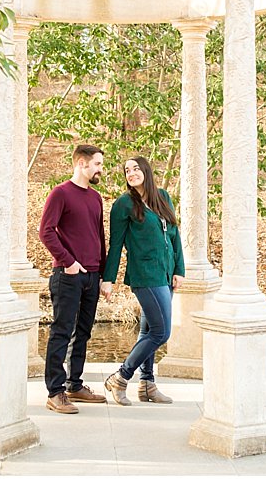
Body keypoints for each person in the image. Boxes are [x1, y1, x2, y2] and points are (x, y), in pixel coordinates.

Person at [100, 156, 185, 406]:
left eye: (136, 168)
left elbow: (174, 234)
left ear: (146, 170)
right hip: (145, 275)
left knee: (148, 330)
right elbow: (115, 245)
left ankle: (147, 385)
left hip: (166, 273)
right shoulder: (123, 204)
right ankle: (121, 376)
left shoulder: (162, 197)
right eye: (127, 170)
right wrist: (108, 279)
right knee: (162, 331)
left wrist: (179, 269)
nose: (131, 173)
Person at [38, 144, 109, 414]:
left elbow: (99, 237)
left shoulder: (96, 198)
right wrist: (68, 262)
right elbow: (46, 231)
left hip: (92, 275)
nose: (100, 169)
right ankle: (55, 392)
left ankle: (74, 385)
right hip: (67, 275)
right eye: (97, 164)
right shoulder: (60, 193)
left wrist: (102, 274)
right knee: (62, 332)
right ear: (81, 163)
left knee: (84, 332)